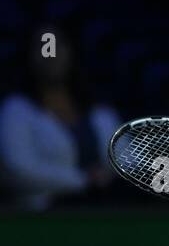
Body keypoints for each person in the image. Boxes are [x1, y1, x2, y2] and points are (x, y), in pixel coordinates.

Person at [0, 24, 119, 211]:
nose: (50, 54)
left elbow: (124, 158)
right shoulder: (15, 109)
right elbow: (18, 170)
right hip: (43, 219)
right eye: (42, 46)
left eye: (56, 45)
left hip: (105, 215)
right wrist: (84, 180)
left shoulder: (99, 112)